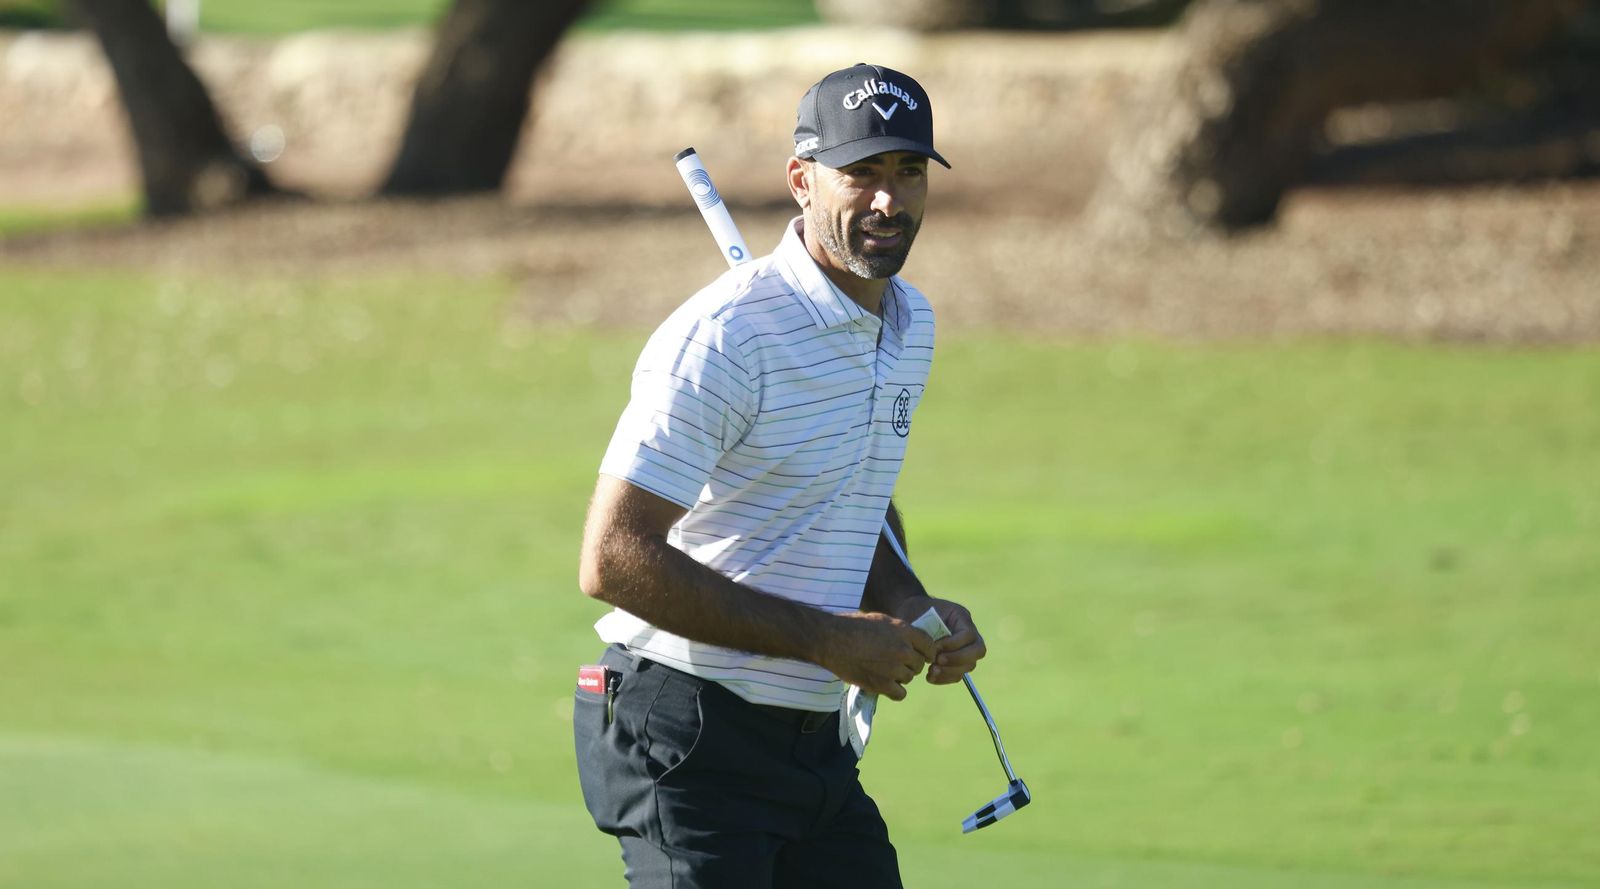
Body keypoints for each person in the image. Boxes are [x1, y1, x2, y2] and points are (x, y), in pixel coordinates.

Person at [573, 62, 986, 889]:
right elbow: (611, 558)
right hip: (686, 730)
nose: (888, 200)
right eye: (861, 172)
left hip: (813, 745)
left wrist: (906, 599)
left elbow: (849, 489)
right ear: (802, 181)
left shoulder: (910, 324)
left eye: (908, 172)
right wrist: (827, 639)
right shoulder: (728, 337)